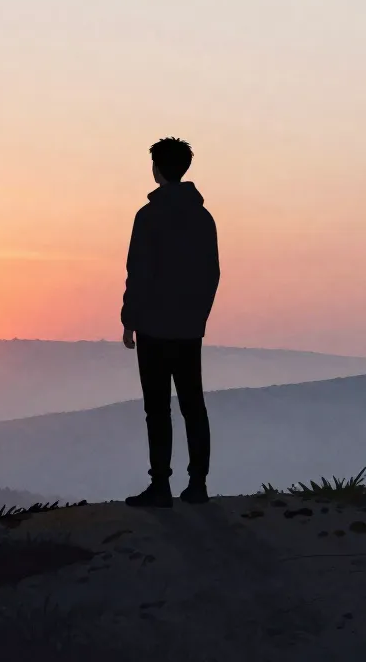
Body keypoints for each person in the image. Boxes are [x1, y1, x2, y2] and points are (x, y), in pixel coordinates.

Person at [120, 137, 220, 508]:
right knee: (193, 405)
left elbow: (139, 272)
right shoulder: (203, 218)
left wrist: (130, 319)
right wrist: (198, 315)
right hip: (189, 328)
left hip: (153, 327)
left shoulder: (149, 216)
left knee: (158, 408)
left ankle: (160, 485)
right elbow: (212, 273)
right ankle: (198, 485)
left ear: (157, 168)